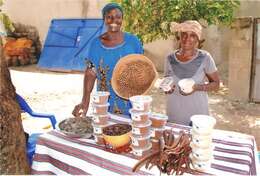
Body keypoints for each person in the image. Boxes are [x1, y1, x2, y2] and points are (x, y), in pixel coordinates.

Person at [72, 3, 143, 118]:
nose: (114, 20)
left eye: (118, 17)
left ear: (122, 19)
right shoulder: (96, 44)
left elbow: (142, 70)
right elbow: (90, 73)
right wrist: (85, 101)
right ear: (104, 19)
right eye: (109, 17)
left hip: (132, 106)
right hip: (104, 107)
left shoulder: (133, 42)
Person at [164, 20, 220, 126]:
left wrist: (196, 88)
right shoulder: (169, 58)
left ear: (197, 39)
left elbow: (216, 85)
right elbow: (167, 80)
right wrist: (168, 88)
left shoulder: (205, 58)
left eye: (192, 35)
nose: (187, 39)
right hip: (174, 114)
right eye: (184, 34)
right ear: (179, 37)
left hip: (197, 115)